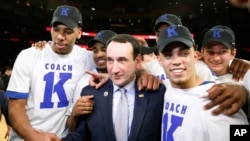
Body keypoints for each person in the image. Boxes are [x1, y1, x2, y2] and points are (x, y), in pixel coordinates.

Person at [5, 5, 96, 141]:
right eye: (56, 29)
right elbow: (15, 108)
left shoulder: (88, 58)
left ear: (79, 33)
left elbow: (119, 66)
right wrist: (34, 136)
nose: (59, 36)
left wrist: (140, 71)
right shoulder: (29, 55)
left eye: (68, 31)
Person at [62, 34, 166, 141]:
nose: (114, 69)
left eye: (122, 60)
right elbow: (81, 136)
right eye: (110, 60)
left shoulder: (157, 95)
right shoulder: (91, 93)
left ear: (138, 61)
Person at [157, 25, 249, 141]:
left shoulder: (221, 99)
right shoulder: (162, 86)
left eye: (184, 53)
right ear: (159, 60)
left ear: (195, 56)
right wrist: (141, 74)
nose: (176, 61)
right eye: (168, 55)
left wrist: (244, 91)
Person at [66, 29, 117, 130]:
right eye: (95, 50)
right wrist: (75, 114)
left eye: (104, 49)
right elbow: (71, 128)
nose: (99, 54)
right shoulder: (85, 81)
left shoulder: (129, 79)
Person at [200, 25, 250, 118]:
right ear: (202, 51)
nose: (216, 58)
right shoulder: (192, 74)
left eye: (223, 51)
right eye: (210, 51)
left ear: (233, 53)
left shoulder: (244, 78)